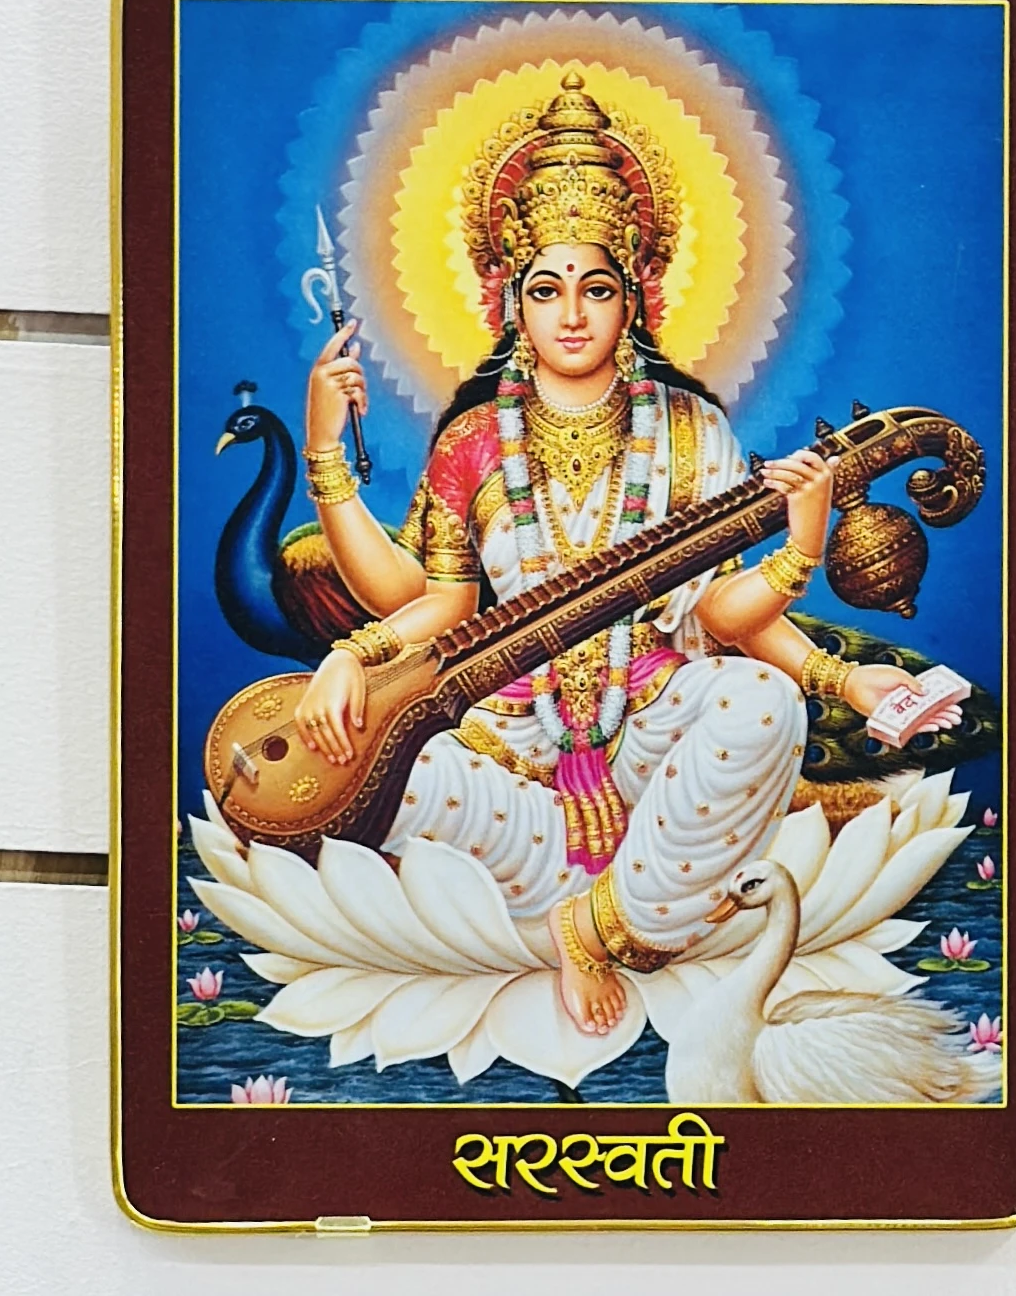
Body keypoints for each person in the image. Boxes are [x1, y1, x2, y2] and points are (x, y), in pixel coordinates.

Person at [290, 74, 957, 1038]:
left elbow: (722, 617)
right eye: (546, 289)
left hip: (654, 732)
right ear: (508, 301)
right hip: (509, 750)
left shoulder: (689, 431)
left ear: (633, 297)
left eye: (596, 289)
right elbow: (429, 600)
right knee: (388, 766)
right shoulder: (475, 441)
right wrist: (329, 486)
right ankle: (642, 891)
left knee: (760, 705)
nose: (572, 314)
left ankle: (590, 923)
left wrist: (818, 589)